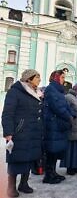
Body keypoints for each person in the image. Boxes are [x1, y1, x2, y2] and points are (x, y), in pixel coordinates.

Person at [2, 69, 43, 197]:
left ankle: (24, 184)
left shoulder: (37, 93)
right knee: (15, 159)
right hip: (19, 132)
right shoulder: (15, 92)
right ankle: (11, 187)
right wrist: (8, 132)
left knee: (29, 158)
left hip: (33, 131)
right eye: (37, 77)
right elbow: (7, 114)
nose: (39, 80)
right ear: (28, 79)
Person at [43, 70, 75, 184]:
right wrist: (68, 116)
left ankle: (53, 172)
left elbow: (65, 105)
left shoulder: (59, 91)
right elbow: (57, 106)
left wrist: (72, 114)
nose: (63, 80)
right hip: (53, 124)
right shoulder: (51, 89)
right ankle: (48, 175)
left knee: (56, 150)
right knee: (51, 150)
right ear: (56, 78)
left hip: (59, 124)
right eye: (62, 77)